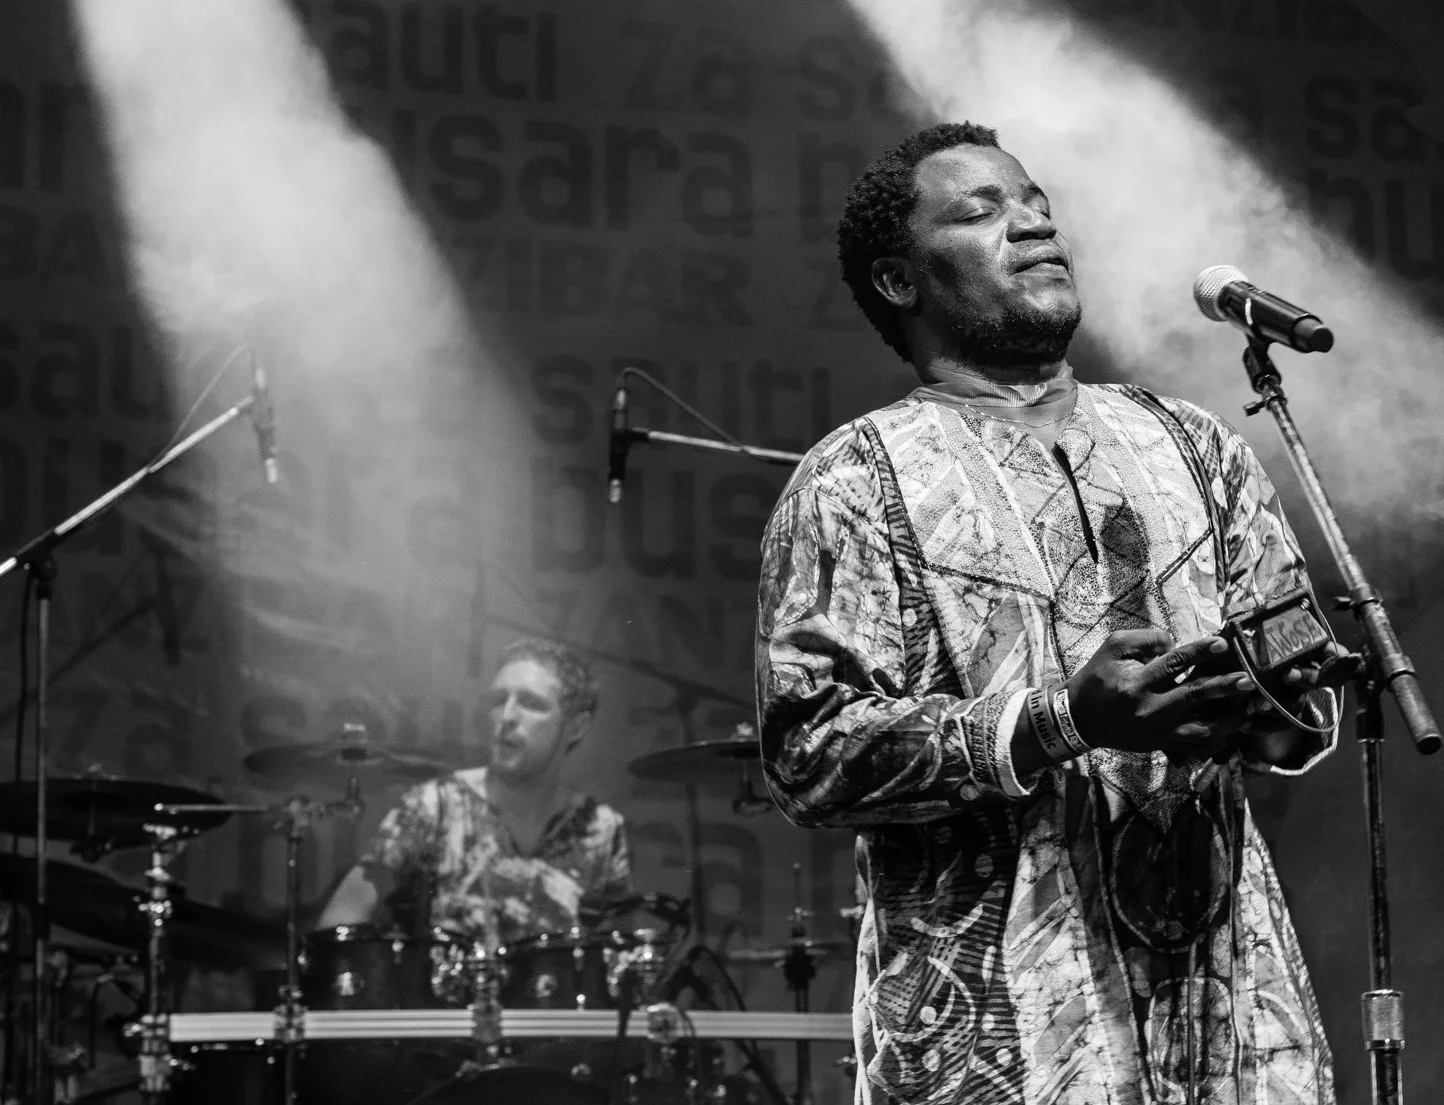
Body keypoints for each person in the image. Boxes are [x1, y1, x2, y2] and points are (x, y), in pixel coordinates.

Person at [756, 121, 1341, 1104]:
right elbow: (806, 752)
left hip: (1226, 1023)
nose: (1031, 226)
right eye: (981, 213)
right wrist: (1059, 718)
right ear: (900, 281)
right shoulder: (855, 480)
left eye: (1036, 206)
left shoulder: (1193, 445)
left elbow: (1301, 690)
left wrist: (1269, 698)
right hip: (999, 1031)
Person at [319, 639, 633, 947]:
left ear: (576, 727)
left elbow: (617, 958)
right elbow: (342, 916)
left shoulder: (600, 829)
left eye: (531, 703)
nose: (507, 716)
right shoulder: (436, 806)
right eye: (499, 700)